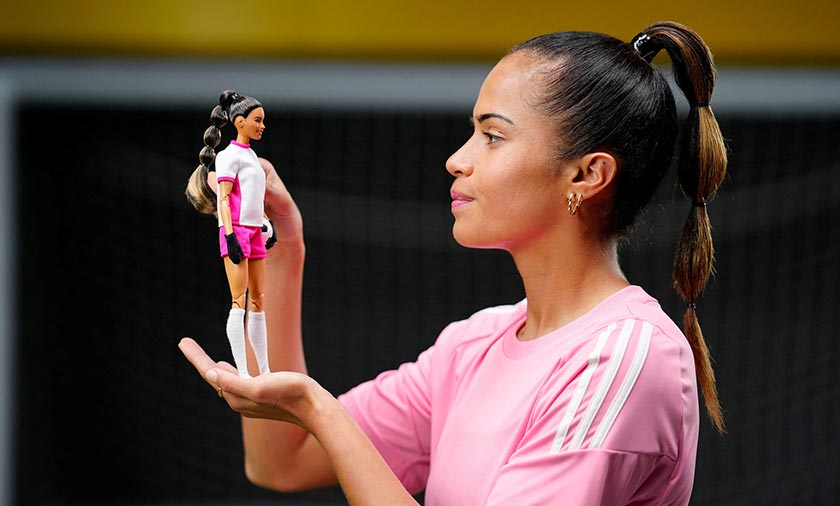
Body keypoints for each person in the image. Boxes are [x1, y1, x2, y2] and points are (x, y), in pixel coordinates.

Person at [179, 20, 727, 505]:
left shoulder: (623, 357)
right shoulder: (472, 346)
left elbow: (310, 425)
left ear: (587, 175)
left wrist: (319, 409)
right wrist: (278, 248)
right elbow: (283, 460)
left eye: (492, 136)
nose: (456, 159)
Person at [185, 90, 274, 378]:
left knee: (258, 298)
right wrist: (229, 234)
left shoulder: (252, 157)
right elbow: (224, 198)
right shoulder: (228, 157)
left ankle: (264, 369)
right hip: (236, 231)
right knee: (239, 300)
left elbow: (253, 198)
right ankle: (244, 372)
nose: (262, 126)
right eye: (257, 121)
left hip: (254, 231)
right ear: (239, 122)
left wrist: (265, 224)